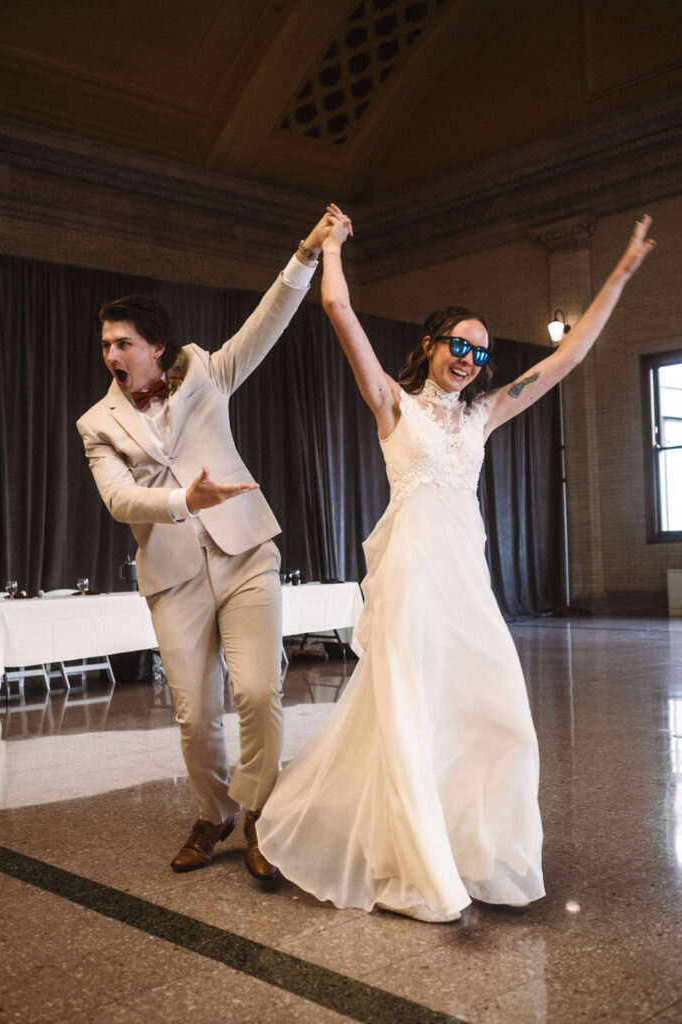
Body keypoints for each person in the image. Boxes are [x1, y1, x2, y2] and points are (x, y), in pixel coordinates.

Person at [257, 206, 655, 921]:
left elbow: (567, 358)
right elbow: (337, 306)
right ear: (430, 345)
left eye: (480, 351)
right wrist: (329, 245)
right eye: (459, 346)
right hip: (411, 575)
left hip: (468, 583)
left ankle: (471, 847)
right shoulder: (393, 406)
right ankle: (423, 867)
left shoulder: (485, 415)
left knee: (495, 710)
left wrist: (620, 274)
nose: (470, 359)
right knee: (412, 712)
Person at [76, 211, 334, 880]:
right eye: (106, 344)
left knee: (256, 692)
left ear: (156, 346)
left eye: (123, 342)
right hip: (172, 575)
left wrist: (305, 252)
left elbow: (269, 320)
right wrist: (180, 502)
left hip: (246, 553)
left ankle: (260, 815)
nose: (112, 355)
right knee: (195, 718)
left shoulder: (206, 376)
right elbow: (117, 500)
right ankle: (214, 812)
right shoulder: (97, 424)